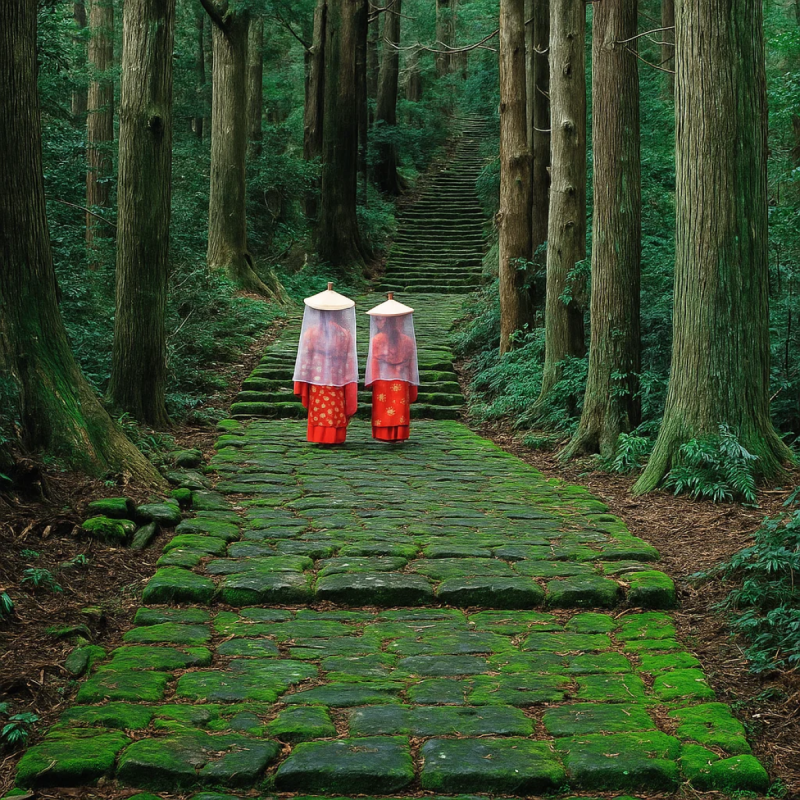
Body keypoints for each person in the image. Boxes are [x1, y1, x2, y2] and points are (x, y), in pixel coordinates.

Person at [293, 283, 358, 444]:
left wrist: (303, 377)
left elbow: (305, 357)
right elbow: (348, 359)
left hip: (317, 377)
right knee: (335, 406)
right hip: (338, 377)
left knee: (320, 406)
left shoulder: (311, 333)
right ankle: (335, 436)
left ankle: (319, 436)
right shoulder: (344, 333)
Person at [365, 292, 420, 442]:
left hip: (383, 378)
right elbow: (410, 363)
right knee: (399, 407)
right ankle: (399, 434)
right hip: (401, 378)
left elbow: (375, 362)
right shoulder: (407, 340)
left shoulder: (377, 340)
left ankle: (383, 434)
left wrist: (372, 379)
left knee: (384, 407)